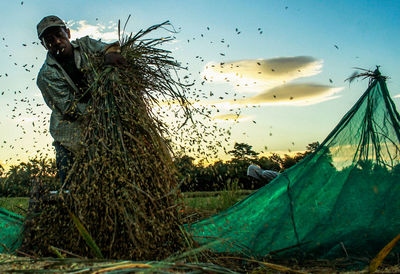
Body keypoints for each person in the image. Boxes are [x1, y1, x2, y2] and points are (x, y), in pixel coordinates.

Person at [36, 15, 126, 188]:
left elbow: (109, 48)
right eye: (49, 40)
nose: (56, 41)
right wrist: (104, 109)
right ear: (44, 45)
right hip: (70, 136)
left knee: (113, 183)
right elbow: (72, 109)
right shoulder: (46, 76)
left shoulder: (85, 46)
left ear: (68, 33)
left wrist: (110, 54)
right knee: (73, 190)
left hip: (102, 129)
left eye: (59, 35)